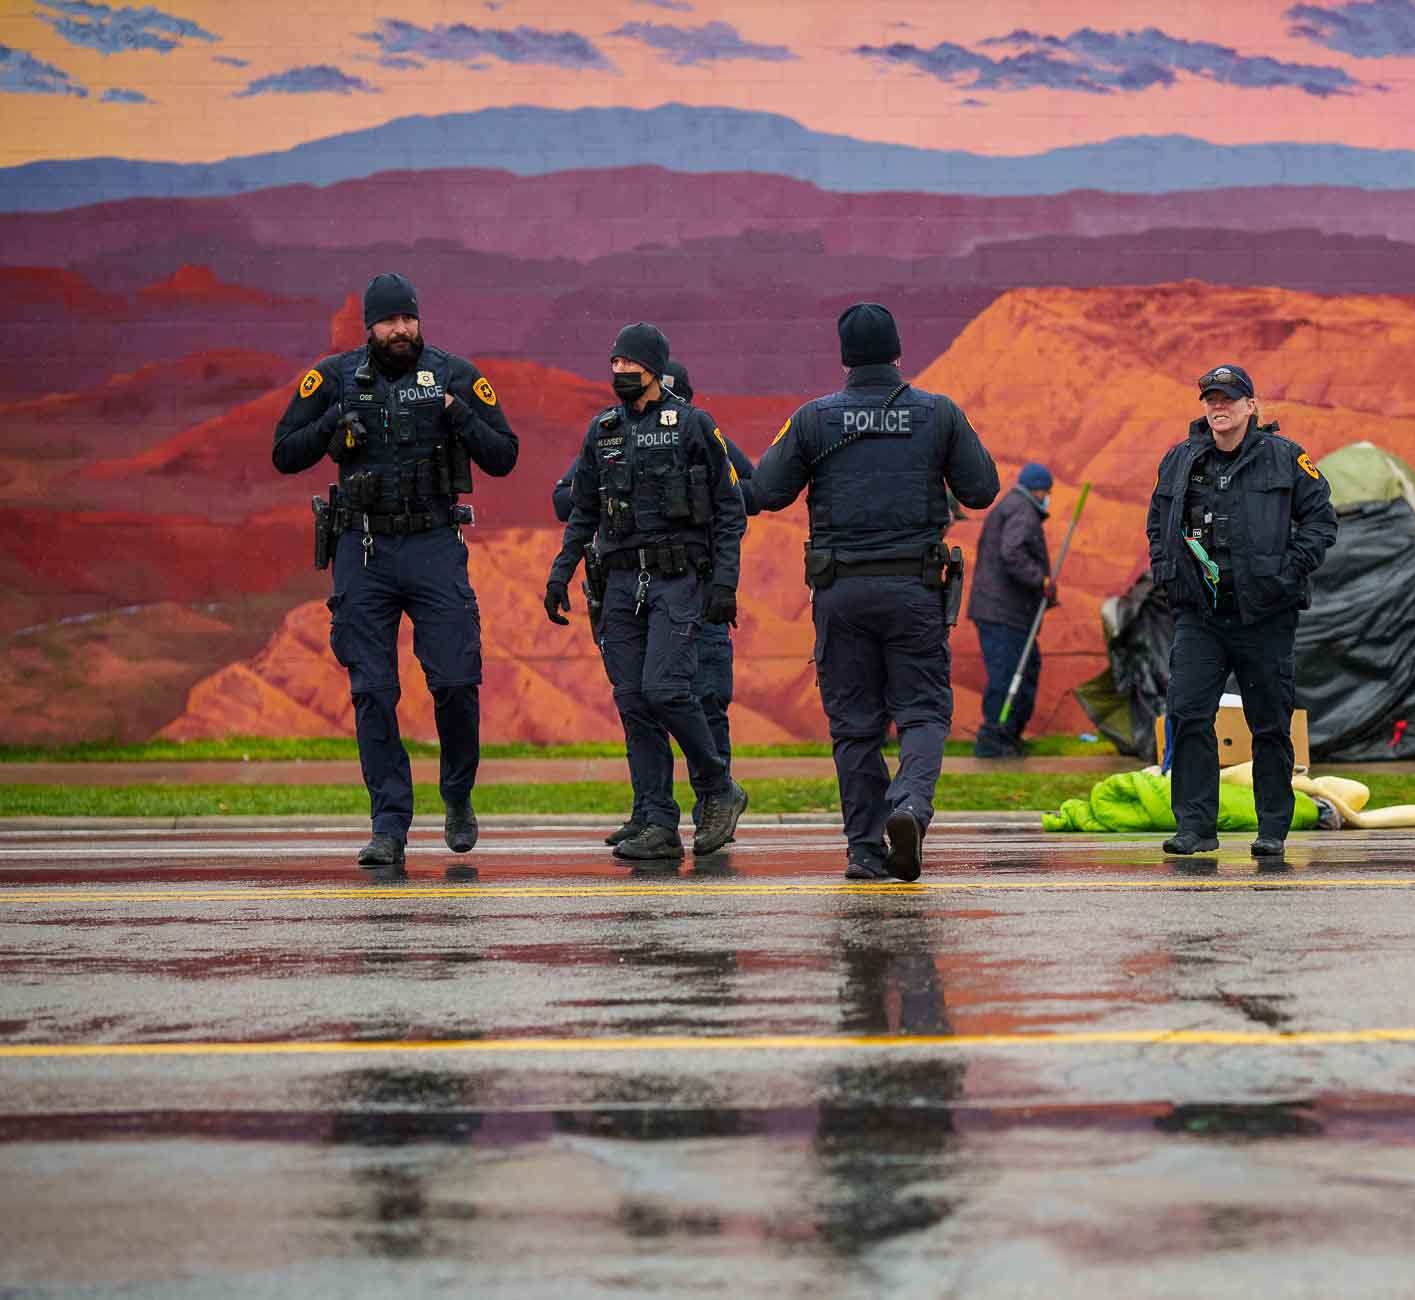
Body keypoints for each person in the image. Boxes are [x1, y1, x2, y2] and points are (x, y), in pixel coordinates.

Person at [272, 273, 519, 870]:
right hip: (365, 548)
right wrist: (334, 425)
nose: (401, 330)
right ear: (370, 327)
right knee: (373, 690)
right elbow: (284, 451)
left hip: (434, 542)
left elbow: (504, 455)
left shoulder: (453, 374)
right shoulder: (332, 377)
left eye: (408, 319)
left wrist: (457, 412)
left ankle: (457, 796)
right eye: (389, 321)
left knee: (457, 680)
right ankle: (389, 824)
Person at [752, 303, 1000, 881]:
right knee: (923, 711)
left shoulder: (814, 418)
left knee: (854, 724)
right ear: (897, 351)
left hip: (840, 593)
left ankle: (865, 849)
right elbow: (983, 488)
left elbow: (767, 490)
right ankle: (910, 806)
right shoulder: (937, 414)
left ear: (844, 359)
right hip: (913, 588)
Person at [543, 324, 749, 862]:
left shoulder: (693, 426)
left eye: (629, 365)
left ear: (655, 369)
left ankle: (717, 787)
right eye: (613, 364)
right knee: (633, 700)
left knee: (666, 690)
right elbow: (582, 509)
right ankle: (657, 820)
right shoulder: (603, 430)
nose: (619, 374)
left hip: (677, 578)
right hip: (618, 582)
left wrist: (725, 582)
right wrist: (559, 574)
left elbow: (731, 510)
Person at [1145, 364, 1336, 858]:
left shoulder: (1286, 458)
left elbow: (1321, 520)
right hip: (1200, 616)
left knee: (1269, 724)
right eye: (1211, 398)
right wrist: (1169, 574)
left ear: (1251, 406)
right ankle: (1195, 827)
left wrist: (1287, 574)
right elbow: (1156, 523)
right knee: (1187, 715)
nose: (1218, 406)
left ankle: (1273, 828)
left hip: (1265, 616)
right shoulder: (1181, 459)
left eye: (1229, 398)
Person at [969, 462, 1057, 758]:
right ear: (1040, 490)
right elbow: (1012, 552)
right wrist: (1040, 579)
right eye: (1048, 493)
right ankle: (993, 740)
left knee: (1025, 669)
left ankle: (1007, 734)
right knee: (1008, 675)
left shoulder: (1014, 506)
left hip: (1005, 611)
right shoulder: (1022, 510)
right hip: (1003, 613)